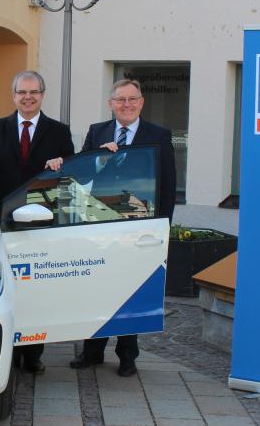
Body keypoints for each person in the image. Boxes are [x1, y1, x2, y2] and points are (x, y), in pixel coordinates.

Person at [70, 78, 176, 377]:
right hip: (100, 225)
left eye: (132, 99)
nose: (126, 105)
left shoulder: (158, 134)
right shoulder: (97, 131)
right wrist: (100, 160)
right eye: (120, 100)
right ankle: (92, 352)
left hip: (138, 227)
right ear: (111, 103)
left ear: (141, 102)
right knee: (98, 288)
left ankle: (127, 356)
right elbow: (81, 174)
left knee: (131, 289)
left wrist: (161, 229)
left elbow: (167, 186)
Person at [0, 70, 74, 374]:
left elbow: (70, 180)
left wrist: (61, 166)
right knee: (7, 286)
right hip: (4, 224)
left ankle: (33, 354)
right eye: (22, 92)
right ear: (14, 95)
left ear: (42, 95)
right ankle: (8, 350)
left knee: (37, 289)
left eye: (34, 92)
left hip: (41, 225)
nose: (28, 97)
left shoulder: (59, 132)